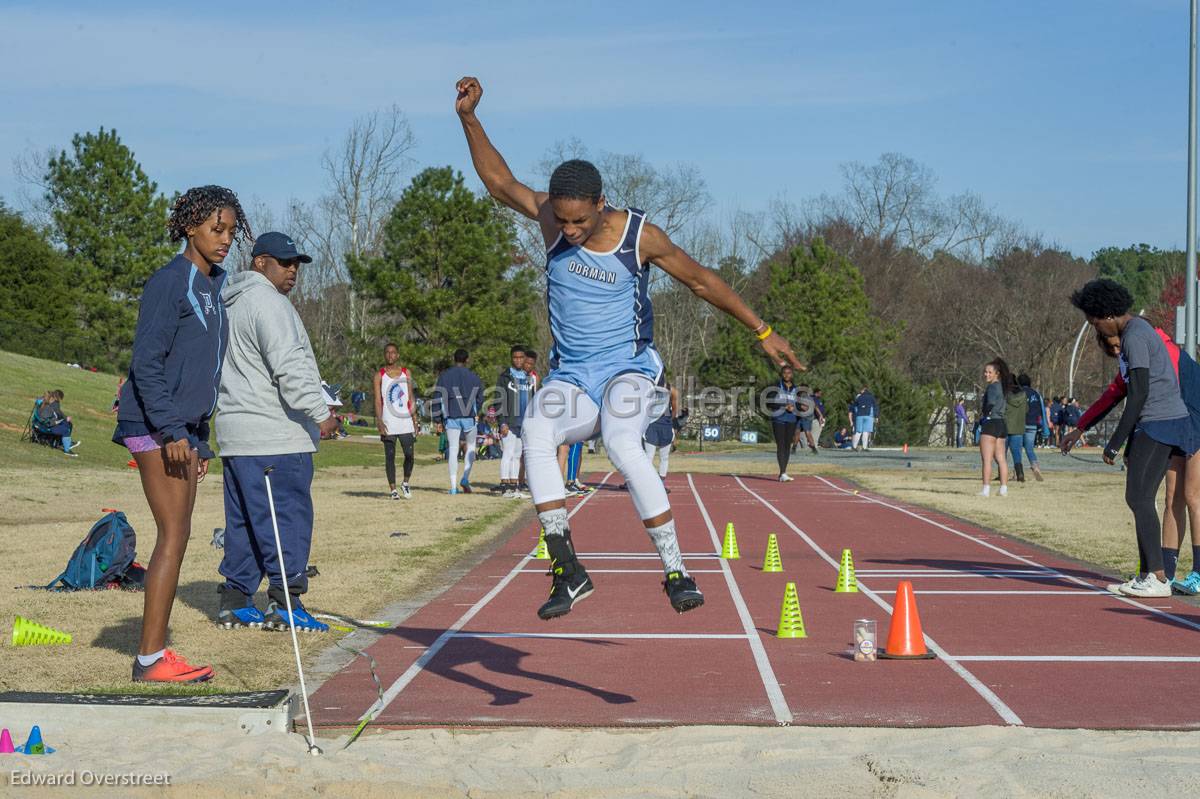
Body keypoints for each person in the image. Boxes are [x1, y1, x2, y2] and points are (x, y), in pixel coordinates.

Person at [456, 75, 804, 618]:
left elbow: (703, 281)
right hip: (573, 376)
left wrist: (763, 332)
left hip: (629, 370)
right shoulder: (551, 217)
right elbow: (501, 183)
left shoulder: (638, 235)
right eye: (562, 220)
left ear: (601, 203)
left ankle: (675, 570)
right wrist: (470, 119)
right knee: (535, 430)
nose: (568, 230)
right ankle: (567, 569)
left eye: (579, 220)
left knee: (622, 441)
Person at [113, 185, 251, 682]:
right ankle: (149, 659)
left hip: (184, 429)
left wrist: (200, 437)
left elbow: (204, 370)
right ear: (190, 226)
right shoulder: (169, 282)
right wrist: (174, 430)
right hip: (154, 424)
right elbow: (146, 364)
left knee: (181, 534)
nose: (225, 239)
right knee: (173, 533)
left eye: (232, 231)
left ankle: (155, 654)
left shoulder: (216, 286)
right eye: (217, 228)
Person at [213, 231, 338, 632]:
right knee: (286, 518)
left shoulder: (227, 303)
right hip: (274, 436)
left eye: (296, 264)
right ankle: (286, 604)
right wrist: (321, 414)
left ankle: (236, 601)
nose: (292, 271)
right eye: (284, 263)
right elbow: (290, 367)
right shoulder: (269, 302)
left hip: (236, 435)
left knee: (245, 522)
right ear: (260, 262)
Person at [1070, 279, 1198, 597]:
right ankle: (1149, 573)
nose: (1094, 326)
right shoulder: (1137, 333)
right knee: (1145, 497)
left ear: (1108, 314)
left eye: (1094, 320)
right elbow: (1122, 391)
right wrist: (1083, 428)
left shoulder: (1136, 337)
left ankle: (1158, 575)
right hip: (1162, 421)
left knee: (1149, 497)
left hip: (1164, 421)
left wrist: (1117, 441)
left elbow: (1139, 393)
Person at [432, 349, 484, 494]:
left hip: (451, 416)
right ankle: (465, 478)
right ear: (467, 359)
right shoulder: (474, 377)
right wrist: (476, 411)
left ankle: (453, 486)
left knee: (453, 449)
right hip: (469, 417)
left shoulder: (445, 376)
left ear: (454, 359)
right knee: (471, 447)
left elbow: (437, 396)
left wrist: (437, 419)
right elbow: (480, 397)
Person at [375, 342, 418, 500]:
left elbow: (411, 397)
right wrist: (379, 420)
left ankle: (405, 483)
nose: (390, 355)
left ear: (397, 355)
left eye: (393, 352)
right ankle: (393, 490)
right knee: (390, 456)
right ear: (384, 355)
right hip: (388, 421)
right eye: (387, 352)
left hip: (405, 420)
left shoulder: (406, 373)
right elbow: (378, 401)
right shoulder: (379, 375)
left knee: (409, 454)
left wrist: (415, 418)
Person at [494, 345, 533, 498]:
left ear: (525, 359)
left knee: (517, 455)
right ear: (511, 358)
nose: (518, 360)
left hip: (523, 423)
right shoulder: (505, 377)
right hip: (509, 421)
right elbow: (498, 400)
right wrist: (501, 422)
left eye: (521, 357)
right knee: (508, 453)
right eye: (515, 357)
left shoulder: (529, 378)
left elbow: (533, 400)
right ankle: (505, 487)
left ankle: (514, 486)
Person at [978, 358, 1014, 497]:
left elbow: (990, 403)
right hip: (1001, 424)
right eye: (985, 372)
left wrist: (984, 415)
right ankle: (1003, 488)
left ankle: (985, 489)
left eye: (989, 372)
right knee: (1001, 458)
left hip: (991, 422)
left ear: (997, 373)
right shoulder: (1003, 387)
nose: (986, 374)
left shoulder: (993, 386)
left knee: (986, 459)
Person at [765, 365, 800, 482]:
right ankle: (782, 472)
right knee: (780, 445)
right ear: (781, 374)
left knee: (787, 446)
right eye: (784, 373)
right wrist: (784, 406)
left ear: (792, 374)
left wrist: (801, 408)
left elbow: (798, 405)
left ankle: (783, 472)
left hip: (791, 419)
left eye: (789, 373)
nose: (787, 375)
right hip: (778, 419)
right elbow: (769, 403)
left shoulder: (796, 389)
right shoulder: (775, 387)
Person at [1009, 374, 1045, 481]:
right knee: (1029, 448)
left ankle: (1017, 473)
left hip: (1019, 424)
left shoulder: (1018, 393)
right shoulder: (1036, 394)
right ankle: (1036, 467)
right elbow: (1040, 410)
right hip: (1032, 424)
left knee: (1017, 449)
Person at [643, 379, 678, 488]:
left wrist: (669, 421)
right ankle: (646, 481)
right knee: (649, 456)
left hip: (665, 425)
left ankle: (661, 483)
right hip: (651, 424)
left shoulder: (671, 390)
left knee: (664, 457)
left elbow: (675, 408)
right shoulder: (648, 386)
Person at [38, 390, 79, 456]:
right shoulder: (48, 408)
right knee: (65, 430)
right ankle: (67, 450)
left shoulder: (43, 404)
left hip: (44, 425)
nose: (57, 403)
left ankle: (65, 443)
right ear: (52, 399)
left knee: (66, 424)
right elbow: (45, 421)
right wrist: (55, 422)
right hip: (47, 427)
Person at [849, 386, 879, 451]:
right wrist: (876, 416)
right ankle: (864, 447)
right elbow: (875, 407)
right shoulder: (871, 397)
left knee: (858, 432)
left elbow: (853, 406)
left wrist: (856, 413)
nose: (860, 391)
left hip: (859, 416)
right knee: (866, 432)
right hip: (869, 416)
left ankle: (854, 447)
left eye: (861, 390)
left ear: (863, 390)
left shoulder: (859, 397)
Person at [795, 385, 820, 455]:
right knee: (797, 432)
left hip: (806, 418)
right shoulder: (801, 397)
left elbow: (805, 408)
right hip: (800, 417)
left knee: (807, 433)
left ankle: (814, 449)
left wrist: (798, 406)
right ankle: (793, 448)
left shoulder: (807, 398)